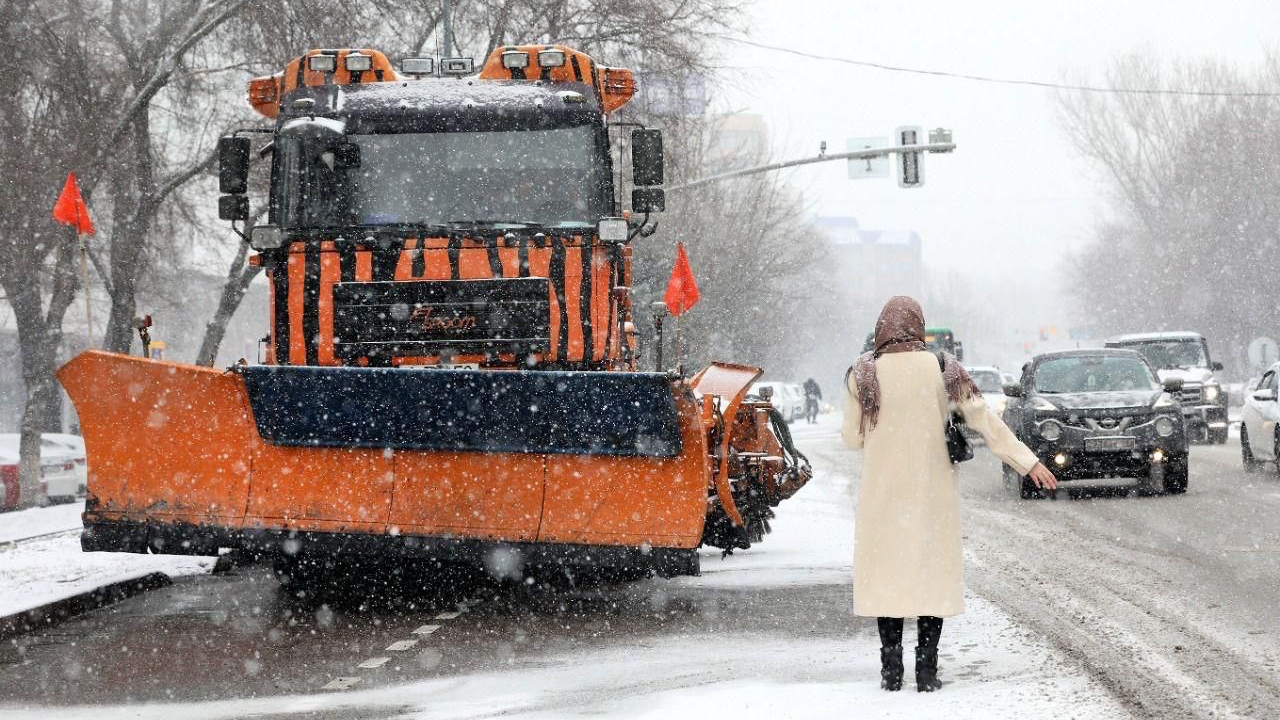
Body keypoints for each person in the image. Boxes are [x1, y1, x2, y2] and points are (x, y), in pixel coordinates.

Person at [841, 296, 1057, 693]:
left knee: (888, 578)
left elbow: (853, 440)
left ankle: (891, 671)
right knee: (929, 579)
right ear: (918, 326)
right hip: (932, 495)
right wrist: (1028, 463)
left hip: (882, 497)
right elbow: (986, 421)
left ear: (881, 328)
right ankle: (927, 670)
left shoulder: (862, 375)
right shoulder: (944, 369)